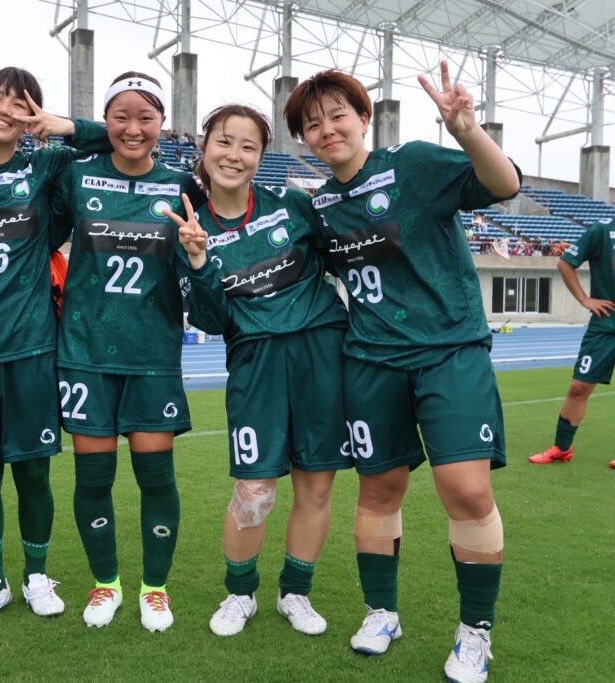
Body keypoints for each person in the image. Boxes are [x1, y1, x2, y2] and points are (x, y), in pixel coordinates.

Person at [283, 62, 520, 683]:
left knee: (467, 491)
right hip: (370, 361)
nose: (327, 130)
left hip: (449, 351)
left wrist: (467, 131)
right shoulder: (318, 207)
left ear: (364, 118)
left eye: (338, 115)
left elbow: (503, 184)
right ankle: (382, 613)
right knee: (378, 491)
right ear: (304, 139)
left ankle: (475, 632)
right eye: (313, 124)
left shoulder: (411, 164)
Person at [166, 104, 351, 638]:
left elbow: (344, 260)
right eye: (224, 142)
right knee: (254, 491)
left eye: (248, 146)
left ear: (261, 157)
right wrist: (198, 261)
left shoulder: (292, 205)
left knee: (316, 485)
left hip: (320, 353)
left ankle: (296, 592)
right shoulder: (188, 226)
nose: (235, 155)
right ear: (204, 148)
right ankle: (239, 593)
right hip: (255, 362)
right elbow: (211, 319)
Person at [0, 67, 110, 625]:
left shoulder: (45, 165)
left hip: (32, 349)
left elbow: (119, 138)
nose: (5, 110)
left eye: (20, 103)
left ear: (33, 114)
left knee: (33, 473)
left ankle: (37, 575)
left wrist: (63, 126)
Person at [50, 71, 204, 633]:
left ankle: (154, 589)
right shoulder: (77, 175)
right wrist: (77, 129)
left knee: (155, 478)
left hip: (152, 355)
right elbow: (40, 238)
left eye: (146, 117)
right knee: (93, 480)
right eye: (120, 116)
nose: (133, 128)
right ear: (104, 120)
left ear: (164, 123)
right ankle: (106, 583)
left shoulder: (183, 183)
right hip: (86, 352)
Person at [529, 219, 615, 469]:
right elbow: (565, 263)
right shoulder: (602, 230)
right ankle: (562, 448)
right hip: (604, 326)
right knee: (579, 387)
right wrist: (584, 299)